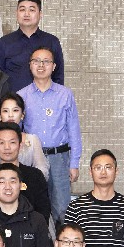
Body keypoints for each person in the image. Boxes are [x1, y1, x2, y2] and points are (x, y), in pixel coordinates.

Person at [15, 48, 81, 218]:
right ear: (30, 65)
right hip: (31, 157)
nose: (41, 65)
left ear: (54, 66)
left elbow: (74, 130)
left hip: (59, 157)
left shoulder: (65, 94)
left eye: (46, 61)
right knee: (32, 206)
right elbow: (15, 131)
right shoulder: (21, 96)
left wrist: (74, 164)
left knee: (62, 209)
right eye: (36, 61)